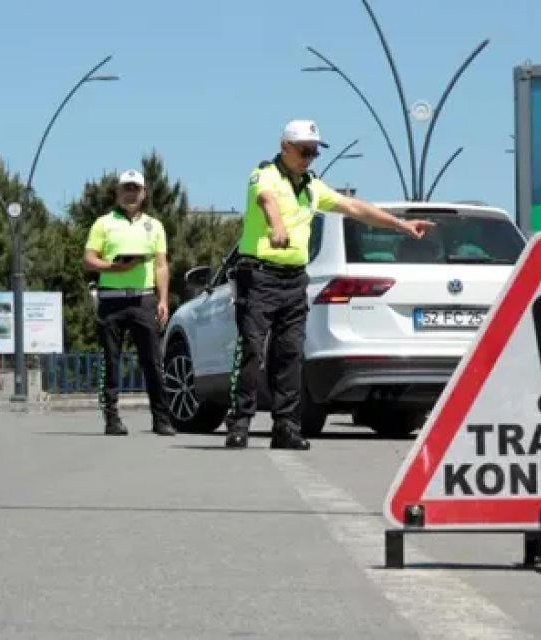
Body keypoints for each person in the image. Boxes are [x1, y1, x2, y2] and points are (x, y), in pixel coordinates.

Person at [224, 120, 435, 450]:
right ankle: (239, 423)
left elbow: (353, 207)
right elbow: (267, 200)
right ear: (285, 147)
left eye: (314, 152)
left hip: (294, 279)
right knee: (252, 350)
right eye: (304, 151)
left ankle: (286, 427)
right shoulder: (264, 174)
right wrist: (276, 227)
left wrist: (400, 224)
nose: (309, 158)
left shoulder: (312, 186)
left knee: (291, 355)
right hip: (259, 276)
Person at [82, 169, 176, 436]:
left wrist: (163, 300)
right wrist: (114, 268)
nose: (131, 193)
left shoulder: (154, 225)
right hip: (110, 300)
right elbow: (88, 259)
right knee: (111, 360)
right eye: (126, 188)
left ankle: (161, 419)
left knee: (153, 361)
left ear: (144, 193)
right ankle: (112, 419)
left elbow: (161, 265)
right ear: (118, 192)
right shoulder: (103, 223)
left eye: (136, 189)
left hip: (144, 299)